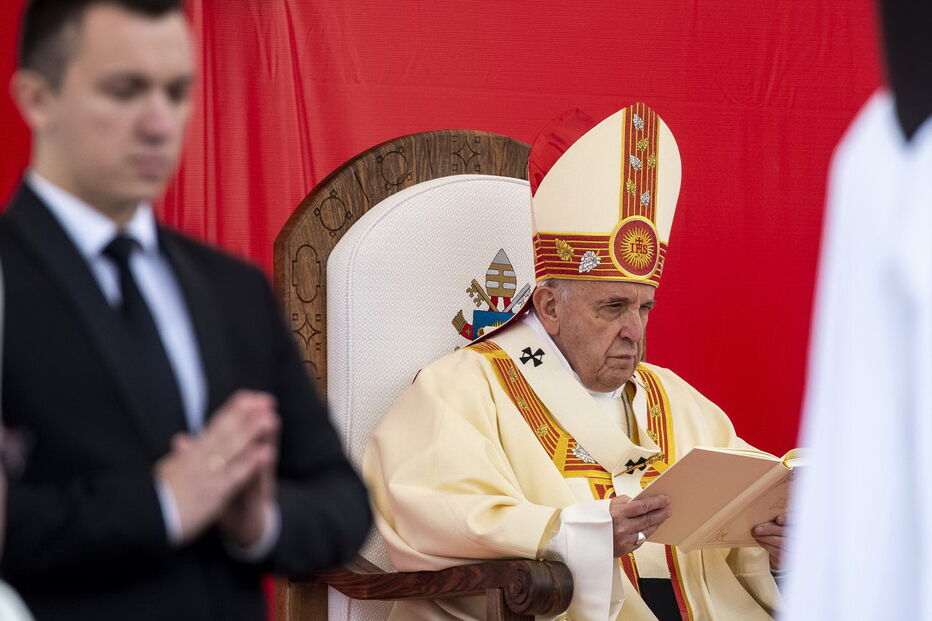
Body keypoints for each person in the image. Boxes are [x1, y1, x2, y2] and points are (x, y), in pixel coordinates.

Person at [0, 1, 371, 619]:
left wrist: (259, 520)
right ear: (37, 99)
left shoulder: (234, 290)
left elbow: (343, 506)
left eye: (176, 93)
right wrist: (163, 505)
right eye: (125, 90)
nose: (158, 122)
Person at [364, 104, 787, 620]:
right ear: (549, 306)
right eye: (612, 307)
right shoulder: (460, 390)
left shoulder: (674, 399)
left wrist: (779, 546)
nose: (634, 331)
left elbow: (745, 516)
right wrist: (580, 534)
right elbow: (439, 514)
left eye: (643, 307)